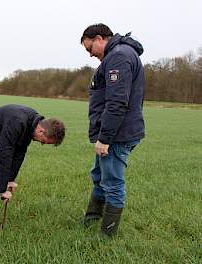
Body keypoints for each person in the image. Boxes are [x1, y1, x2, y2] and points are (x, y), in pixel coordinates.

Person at [0, 104, 65, 234]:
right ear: (41, 131)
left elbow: (19, 153)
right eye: (44, 141)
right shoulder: (18, 121)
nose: (42, 144)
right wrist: (2, 189)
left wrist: (10, 180)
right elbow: (5, 153)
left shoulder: (31, 124)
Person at [80, 23, 145, 237]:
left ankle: (106, 236)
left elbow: (117, 102)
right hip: (114, 132)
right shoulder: (118, 55)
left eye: (90, 48)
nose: (90, 54)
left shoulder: (118, 56)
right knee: (99, 175)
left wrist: (105, 138)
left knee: (113, 183)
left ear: (100, 38)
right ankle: (91, 219)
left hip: (117, 135)